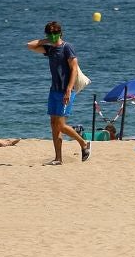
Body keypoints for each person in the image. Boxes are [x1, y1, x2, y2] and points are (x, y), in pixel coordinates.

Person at [26, 21, 91, 165]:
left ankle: (83, 143)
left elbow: (74, 68)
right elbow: (30, 45)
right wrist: (46, 40)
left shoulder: (67, 48)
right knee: (54, 124)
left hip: (66, 91)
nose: (53, 36)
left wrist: (68, 89)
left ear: (60, 33)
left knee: (60, 125)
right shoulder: (49, 50)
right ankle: (58, 158)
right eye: (50, 34)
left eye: (55, 34)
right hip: (54, 90)